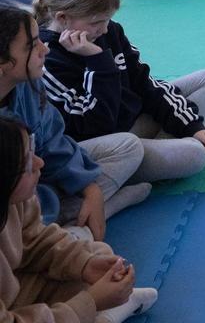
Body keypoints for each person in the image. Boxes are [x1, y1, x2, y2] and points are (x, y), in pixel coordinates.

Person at [36, 0, 205, 185]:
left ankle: (174, 139)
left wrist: (192, 127)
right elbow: (95, 127)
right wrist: (98, 62)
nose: (104, 29)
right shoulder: (47, 59)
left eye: (108, 19)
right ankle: (166, 146)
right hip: (112, 144)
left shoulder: (109, 31)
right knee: (195, 155)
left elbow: (144, 84)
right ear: (63, 18)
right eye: (96, 22)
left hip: (134, 120)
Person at [0, 5, 146, 242]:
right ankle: (91, 215)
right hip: (23, 209)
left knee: (128, 147)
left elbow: (54, 140)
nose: (44, 48)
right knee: (78, 242)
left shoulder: (28, 83)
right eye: (32, 45)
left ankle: (87, 210)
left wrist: (91, 189)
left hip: (45, 182)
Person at [0, 118, 158, 323]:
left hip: (16, 290)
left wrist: (85, 264)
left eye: (32, 150)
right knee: (91, 292)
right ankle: (106, 316)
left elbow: (35, 239)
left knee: (96, 257)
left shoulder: (14, 198)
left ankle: (106, 310)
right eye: (27, 164)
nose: (40, 162)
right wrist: (91, 303)